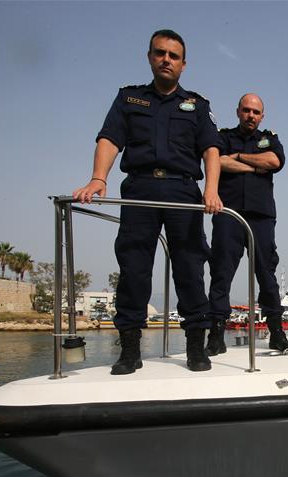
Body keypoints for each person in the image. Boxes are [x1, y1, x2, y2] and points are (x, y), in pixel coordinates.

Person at [73, 29, 222, 374]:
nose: (166, 60)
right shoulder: (129, 99)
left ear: (184, 64)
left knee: (189, 268)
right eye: (160, 53)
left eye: (173, 55)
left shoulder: (198, 106)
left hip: (183, 191)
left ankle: (196, 349)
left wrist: (211, 189)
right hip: (139, 188)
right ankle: (129, 351)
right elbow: (110, 138)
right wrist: (98, 178)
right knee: (134, 269)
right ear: (150, 57)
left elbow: (210, 149)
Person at [207, 93, 288, 355]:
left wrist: (240, 158)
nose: (251, 116)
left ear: (262, 115)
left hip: (261, 217)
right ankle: (216, 335)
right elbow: (216, 161)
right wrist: (256, 166)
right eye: (246, 110)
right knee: (221, 273)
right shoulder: (222, 136)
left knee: (266, 274)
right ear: (238, 112)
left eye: (256, 112)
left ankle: (277, 334)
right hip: (228, 214)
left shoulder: (270, 138)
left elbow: (274, 161)